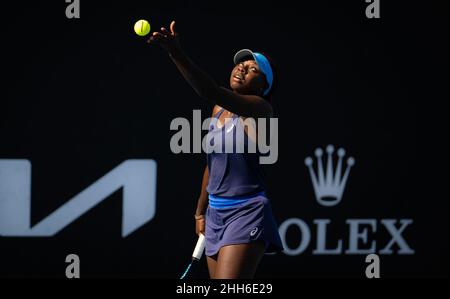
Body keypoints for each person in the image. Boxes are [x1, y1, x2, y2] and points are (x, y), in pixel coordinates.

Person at [148, 21, 283, 279]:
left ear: (263, 86)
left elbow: (208, 90)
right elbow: (213, 164)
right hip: (216, 213)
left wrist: (175, 52)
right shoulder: (218, 111)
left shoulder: (261, 110)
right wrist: (201, 211)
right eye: (241, 63)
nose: (242, 68)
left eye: (253, 69)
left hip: (247, 212)